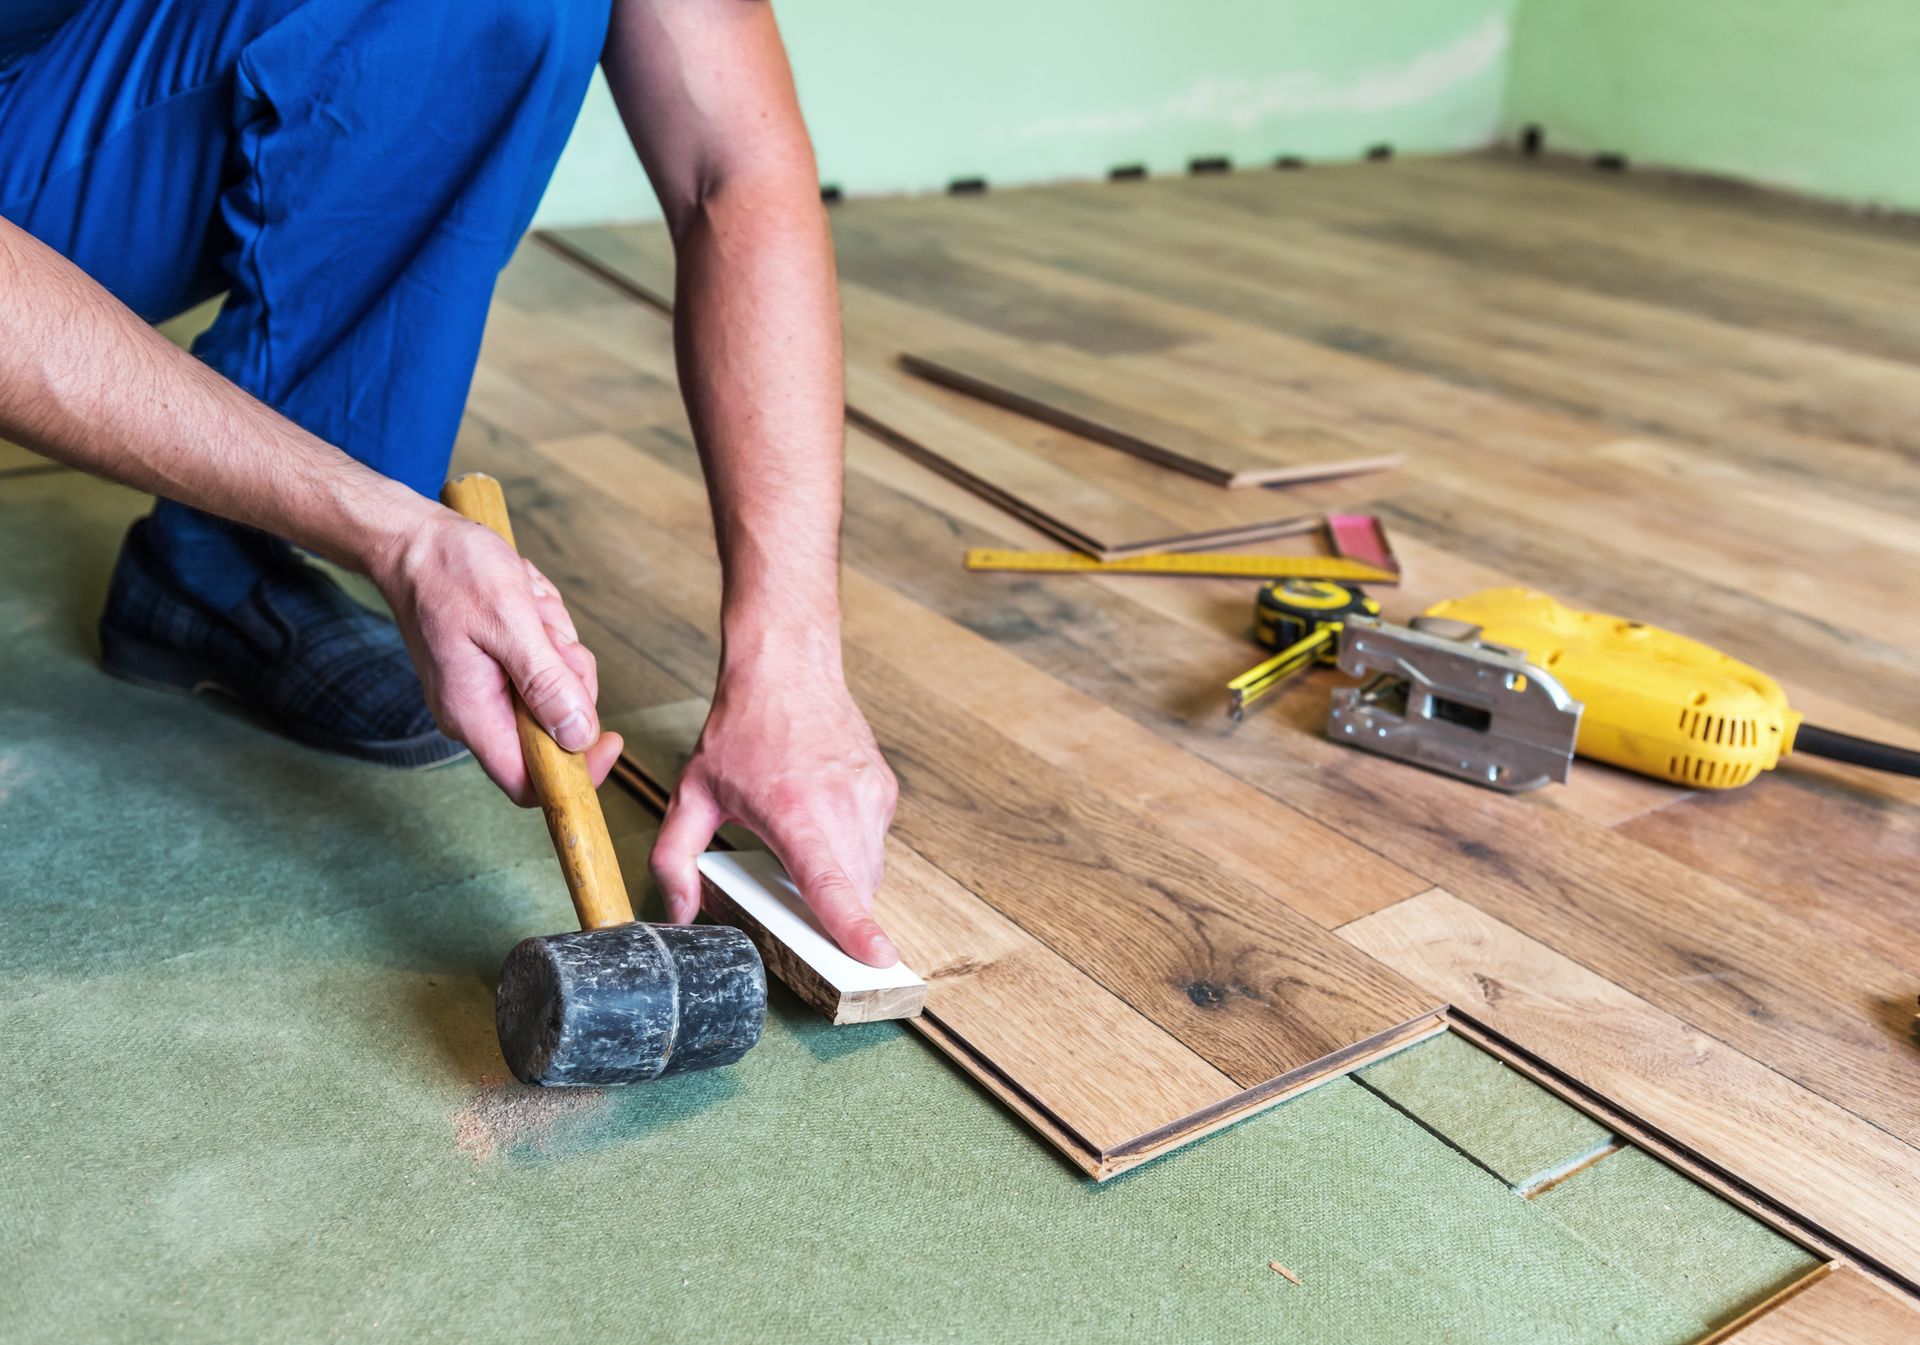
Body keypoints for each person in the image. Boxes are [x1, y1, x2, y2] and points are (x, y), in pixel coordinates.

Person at [0, 0, 901, 965]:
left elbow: (734, 163)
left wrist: (789, 666)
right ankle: (294, 512)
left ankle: (220, 564)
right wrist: (397, 533)